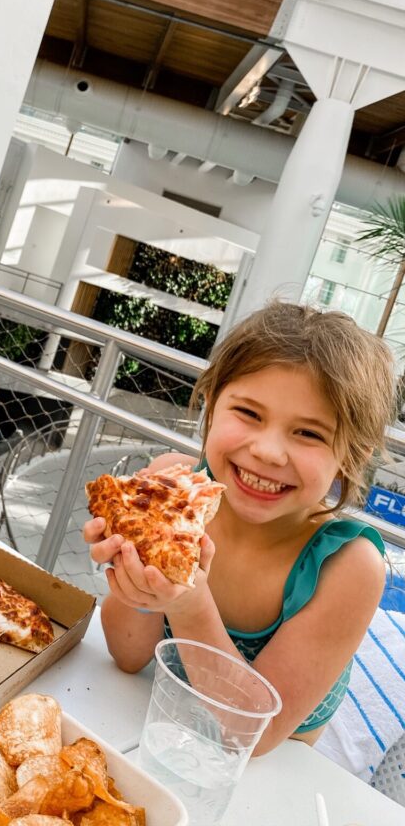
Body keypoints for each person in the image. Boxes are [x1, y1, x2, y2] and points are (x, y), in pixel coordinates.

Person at [84, 302, 397, 756]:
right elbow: (128, 656)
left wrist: (187, 603)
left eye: (309, 434)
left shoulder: (348, 566)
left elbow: (256, 734)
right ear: (212, 403)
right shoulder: (171, 488)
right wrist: (137, 572)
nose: (268, 451)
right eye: (249, 413)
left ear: (352, 455)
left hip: (276, 765)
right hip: (158, 719)